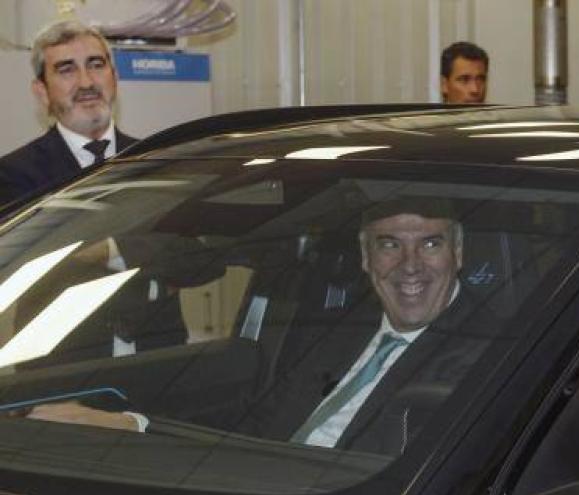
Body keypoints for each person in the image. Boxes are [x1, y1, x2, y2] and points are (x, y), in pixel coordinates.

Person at [29, 198, 493, 455]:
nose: (410, 266)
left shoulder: (486, 356)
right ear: (366, 258)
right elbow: (257, 431)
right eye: (390, 245)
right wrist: (134, 425)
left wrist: (141, 430)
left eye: (430, 244)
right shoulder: (340, 332)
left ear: (459, 254)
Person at [0, 20, 138, 207]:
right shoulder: (13, 175)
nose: (86, 83)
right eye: (67, 70)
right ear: (42, 91)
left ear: (114, 78)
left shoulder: (155, 159)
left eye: (96, 65)